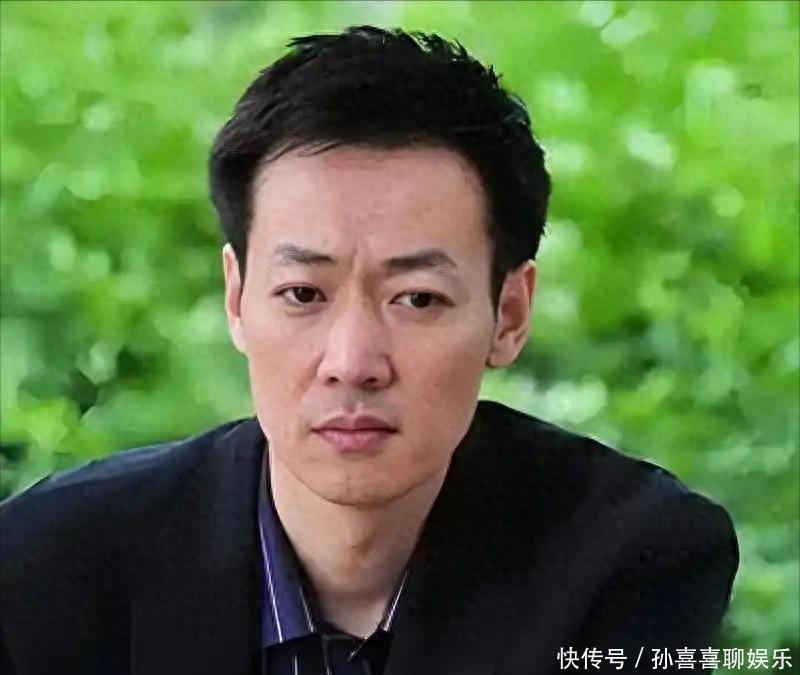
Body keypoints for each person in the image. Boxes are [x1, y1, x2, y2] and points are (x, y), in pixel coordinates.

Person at [0, 25, 738, 675]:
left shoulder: (628, 559)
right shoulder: (45, 565)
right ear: (237, 298)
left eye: (417, 299)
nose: (352, 362)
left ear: (509, 313)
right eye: (303, 294)